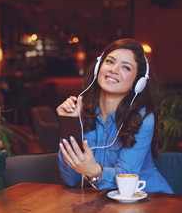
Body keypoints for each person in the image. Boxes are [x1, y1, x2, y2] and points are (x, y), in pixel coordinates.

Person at [56, 38, 173, 193]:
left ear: (138, 82)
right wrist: (69, 124)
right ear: (99, 67)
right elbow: (71, 179)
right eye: (110, 62)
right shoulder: (81, 111)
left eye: (126, 67)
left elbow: (125, 177)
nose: (114, 70)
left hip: (149, 199)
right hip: (104, 204)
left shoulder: (142, 117)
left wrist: (94, 171)